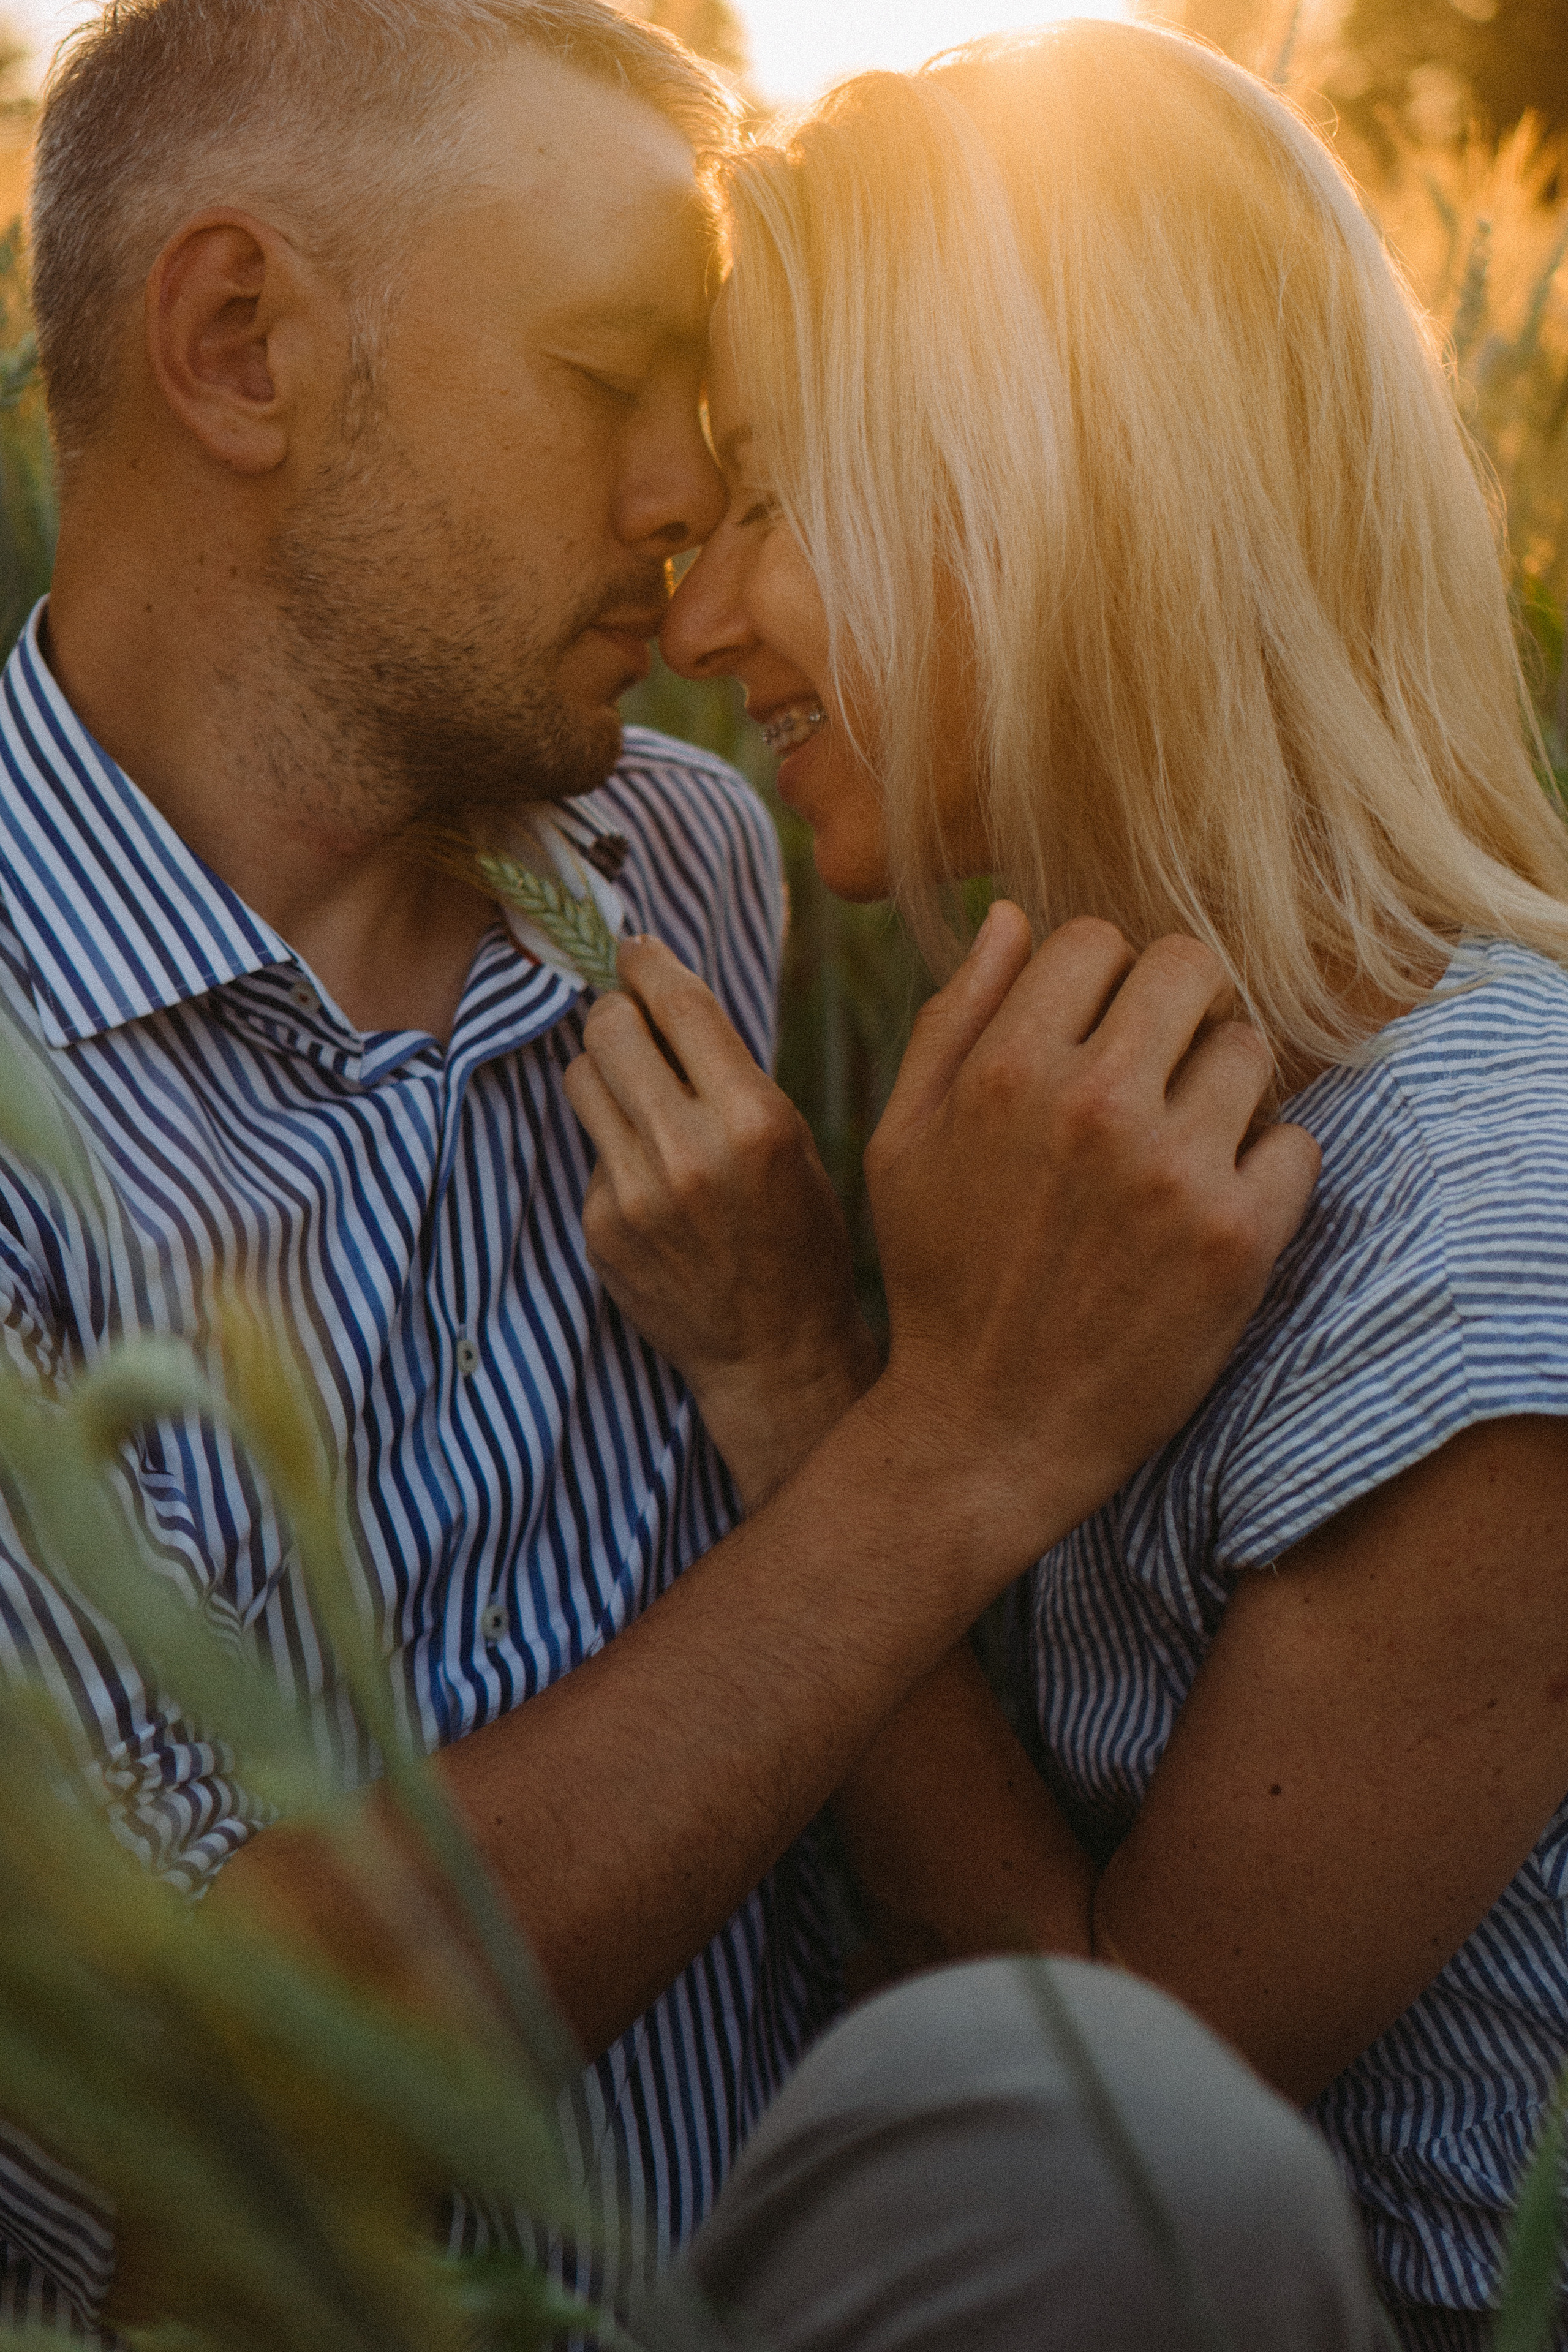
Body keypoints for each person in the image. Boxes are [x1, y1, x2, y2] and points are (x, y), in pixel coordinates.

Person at [0, 2, 1342, 2344]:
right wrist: (937, 1455)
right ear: (237, 347)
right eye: (609, 372)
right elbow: (196, 2102)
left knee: (1147, 2169)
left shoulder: (681, 858)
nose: (684, 502)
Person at [569, 20, 1568, 2351]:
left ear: (1045, 482)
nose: (705, 625)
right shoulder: (1132, 1064)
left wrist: (807, 1383)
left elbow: (1104, 2146)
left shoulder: (1485, 1237)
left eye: (776, 500)